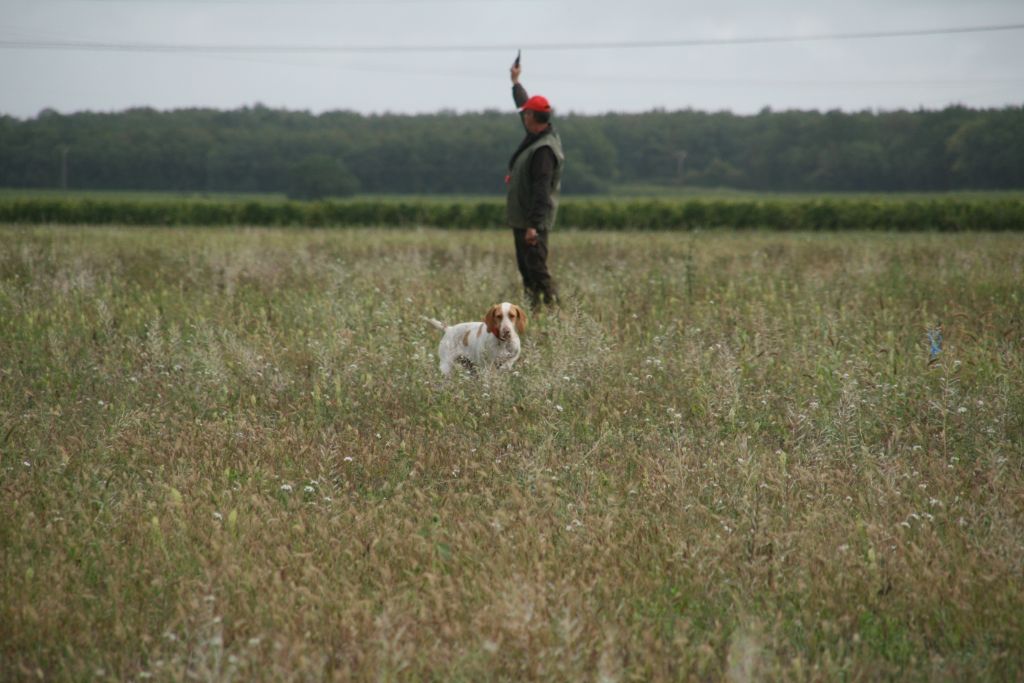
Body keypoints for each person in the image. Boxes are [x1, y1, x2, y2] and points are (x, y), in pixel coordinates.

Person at [507, 60, 564, 308]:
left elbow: (542, 191)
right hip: (524, 220)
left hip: (532, 223)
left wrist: (533, 226)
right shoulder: (537, 135)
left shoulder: (543, 150)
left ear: (534, 117)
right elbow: (524, 103)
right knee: (528, 271)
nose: (524, 115)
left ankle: (557, 314)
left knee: (537, 271)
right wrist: (516, 82)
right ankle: (535, 313)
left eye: (527, 113)